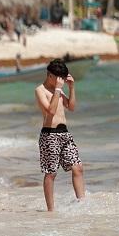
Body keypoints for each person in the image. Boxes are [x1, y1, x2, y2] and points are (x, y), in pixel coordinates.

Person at [35, 58, 84, 212]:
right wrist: (57, 90)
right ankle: (51, 210)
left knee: (78, 168)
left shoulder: (59, 89)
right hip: (49, 135)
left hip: (65, 134)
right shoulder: (40, 90)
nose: (61, 80)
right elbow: (50, 111)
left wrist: (72, 87)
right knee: (51, 173)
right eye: (59, 77)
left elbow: (71, 107)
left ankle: (82, 203)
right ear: (50, 75)